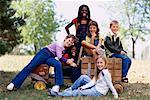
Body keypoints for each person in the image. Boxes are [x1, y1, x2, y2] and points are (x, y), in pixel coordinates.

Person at [7, 34, 78, 93]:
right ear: (65, 38)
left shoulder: (64, 49)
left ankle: (57, 85)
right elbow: (60, 57)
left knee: (57, 64)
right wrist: (69, 61)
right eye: (69, 40)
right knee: (30, 66)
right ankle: (14, 83)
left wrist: (70, 59)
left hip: (50, 57)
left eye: (71, 43)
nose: (69, 43)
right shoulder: (59, 44)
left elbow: (61, 58)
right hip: (44, 53)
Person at [48, 55, 118, 99]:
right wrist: (83, 87)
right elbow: (93, 82)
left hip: (98, 92)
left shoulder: (105, 73)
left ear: (105, 63)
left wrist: (115, 95)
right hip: (95, 87)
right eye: (98, 63)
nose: (99, 64)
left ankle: (57, 94)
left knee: (78, 92)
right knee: (83, 77)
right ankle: (69, 89)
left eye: (101, 62)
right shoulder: (99, 71)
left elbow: (110, 84)